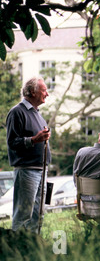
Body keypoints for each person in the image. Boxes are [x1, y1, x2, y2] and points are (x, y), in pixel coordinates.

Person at [6, 77, 51, 233]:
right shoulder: (17, 112)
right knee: (23, 214)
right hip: (27, 170)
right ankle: (16, 248)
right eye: (44, 90)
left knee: (38, 214)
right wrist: (34, 139)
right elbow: (12, 142)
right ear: (33, 91)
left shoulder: (37, 114)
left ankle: (33, 247)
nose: (47, 94)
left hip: (41, 170)